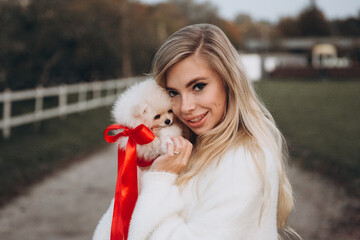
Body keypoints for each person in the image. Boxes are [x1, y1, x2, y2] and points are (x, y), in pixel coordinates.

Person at [93, 23, 298, 240]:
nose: (185, 107)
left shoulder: (243, 161)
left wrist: (160, 179)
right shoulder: (183, 147)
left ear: (228, 82)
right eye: (173, 92)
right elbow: (118, 222)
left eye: (198, 86)